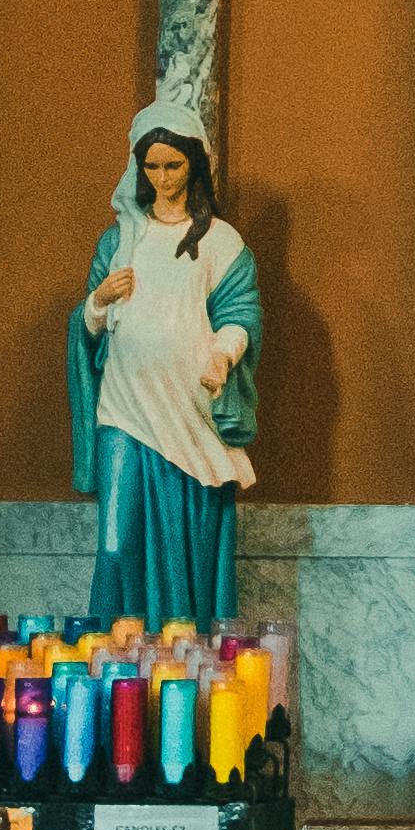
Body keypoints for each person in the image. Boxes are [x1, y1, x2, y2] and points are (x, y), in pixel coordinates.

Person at [69, 112, 262, 622]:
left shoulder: (221, 241)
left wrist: (222, 356)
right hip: (124, 409)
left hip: (187, 414)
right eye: (151, 166)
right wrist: (97, 302)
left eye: (173, 165)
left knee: (184, 550)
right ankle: (114, 662)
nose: (162, 178)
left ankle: (179, 664)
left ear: (194, 164)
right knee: (114, 543)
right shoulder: (119, 240)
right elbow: (87, 328)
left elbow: (241, 314)